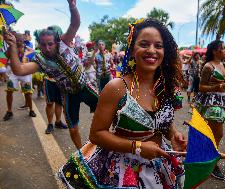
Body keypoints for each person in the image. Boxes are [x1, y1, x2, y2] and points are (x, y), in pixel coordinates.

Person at [58, 18, 187, 188]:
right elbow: (96, 134)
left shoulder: (167, 86)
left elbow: (161, 123)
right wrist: (138, 147)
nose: (151, 50)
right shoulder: (117, 87)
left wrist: (173, 135)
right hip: (124, 168)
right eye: (144, 44)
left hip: (159, 162)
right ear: (133, 50)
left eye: (158, 46)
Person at [3, 0, 98, 149]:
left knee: (108, 111)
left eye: (50, 44)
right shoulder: (40, 60)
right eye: (43, 44)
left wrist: (72, 7)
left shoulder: (64, 43)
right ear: (39, 44)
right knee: (73, 128)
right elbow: (19, 71)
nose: (46, 48)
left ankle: (109, 141)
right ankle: (83, 154)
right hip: (69, 94)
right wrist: (13, 47)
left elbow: (75, 24)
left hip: (86, 87)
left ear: (57, 42)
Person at [194, 40, 225, 180]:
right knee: (217, 134)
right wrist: (219, 87)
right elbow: (201, 87)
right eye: (222, 48)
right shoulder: (208, 66)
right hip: (212, 103)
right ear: (214, 51)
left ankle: (206, 157)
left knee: (214, 134)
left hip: (223, 101)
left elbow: (224, 83)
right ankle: (211, 162)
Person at [3, 33, 36, 121]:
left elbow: (34, 58)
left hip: (25, 72)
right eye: (18, 40)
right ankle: (9, 111)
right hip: (13, 73)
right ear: (14, 40)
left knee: (28, 92)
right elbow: (4, 58)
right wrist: (4, 72)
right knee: (9, 91)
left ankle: (31, 110)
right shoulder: (11, 48)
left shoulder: (28, 49)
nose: (20, 42)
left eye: (21, 40)